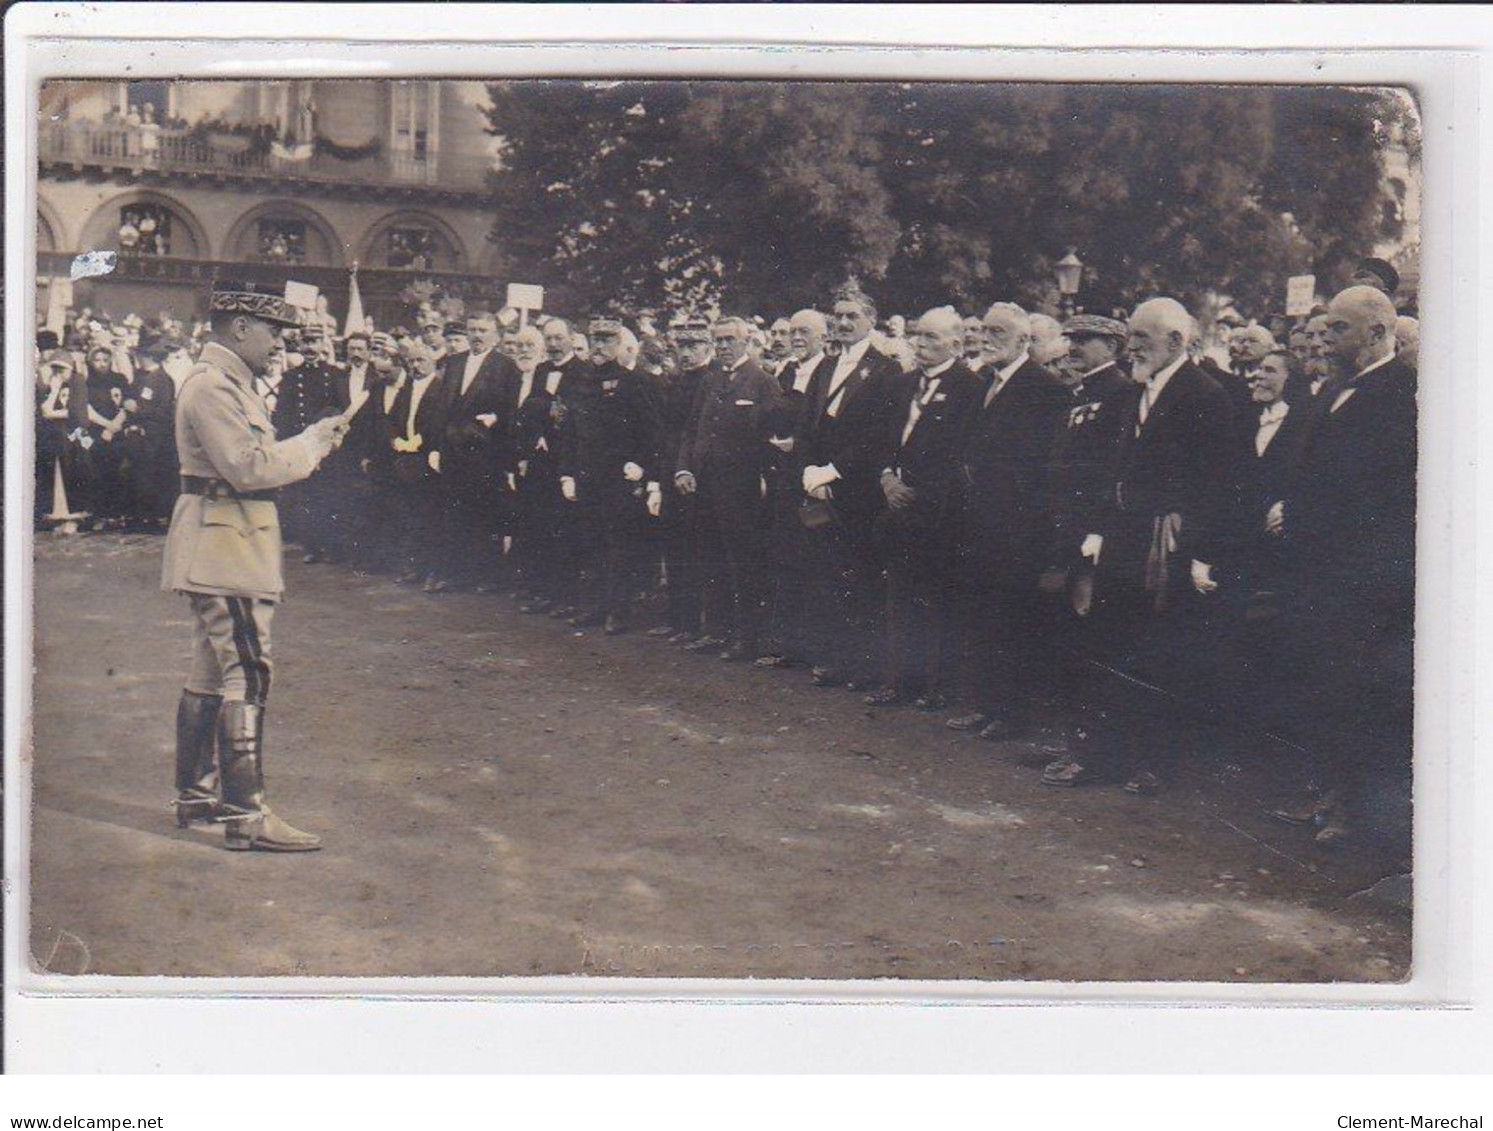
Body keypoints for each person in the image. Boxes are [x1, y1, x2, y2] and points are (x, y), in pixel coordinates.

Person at [161, 280, 347, 852]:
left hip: (221, 540)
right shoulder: (214, 386)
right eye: (274, 331)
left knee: (211, 672)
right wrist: (311, 444)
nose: (281, 344)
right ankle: (246, 813)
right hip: (229, 544)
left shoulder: (221, 381)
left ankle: (197, 797)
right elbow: (247, 466)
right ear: (239, 326)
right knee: (249, 670)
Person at [1042, 297, 1237, 794]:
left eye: (1143, 339)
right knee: (1110, 643)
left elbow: (1215, 486)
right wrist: (1099, 530)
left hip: (1166, 545)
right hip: (1123, 540)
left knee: (1159, 654)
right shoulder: (1134, 394)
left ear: (1176, 341)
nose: (1133, 348)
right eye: (1131, 338)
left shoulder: (1206, 395)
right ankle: (1101, 755)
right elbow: (1116, 471)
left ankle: (1154, 763)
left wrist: (1198, 552)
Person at [1271, 285, 1416, 847]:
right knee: (1323, 686)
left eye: (1339, 329)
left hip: (1361, 578)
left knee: (1359, 693)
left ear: (1378, 331)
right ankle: (1327, 793)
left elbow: (1379, 494)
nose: (1326, 338)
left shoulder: (1402, 394)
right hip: (1317, 571)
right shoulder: (1334, 389)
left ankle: (1354, 811)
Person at [943, 302, 1070, 740]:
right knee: (980, 614)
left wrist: (1027, 523)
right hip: (979, 521)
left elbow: (1046, 467)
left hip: (1016, 529)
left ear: (1023, 340)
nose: (986, 338)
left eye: (998, 331)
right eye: (984, 330)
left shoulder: (1045, 388)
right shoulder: (984, 383)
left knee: (1011, 620)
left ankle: (1011, 713)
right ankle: (985, 704)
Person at [865, 307, 983, 707]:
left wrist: (921, 493)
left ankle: (936, 686)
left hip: (938, 511)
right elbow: (882, 438)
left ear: (955, 343)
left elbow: (961, 453)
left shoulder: (971, 388)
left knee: (934, 598)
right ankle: (899, 679)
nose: (921, 344)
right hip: (896, 504)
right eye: (918, 335)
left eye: (932, 338)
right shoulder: (901, 385)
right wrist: (886, 478)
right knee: (898, 593)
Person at [793, 281, 907, 689]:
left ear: (871, 322)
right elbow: (806, 424)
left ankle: (866, 665)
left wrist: (834, 471)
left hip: (856, 488)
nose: (843, 323)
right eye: (837, 316)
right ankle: (836, 657)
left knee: (861, 575)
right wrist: (808, 469)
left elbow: (879, 435)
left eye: (851, 317)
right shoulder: (825, 365)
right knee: (828, 573)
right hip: (819, 485)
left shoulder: (885, 369)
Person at [674, 316, 785, 660]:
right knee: (710, 557)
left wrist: (764, 480)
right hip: (705, 484)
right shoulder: (710, 381)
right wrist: (684, 468)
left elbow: (773, 439)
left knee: (743, 563)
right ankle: (716, 630)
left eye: (728, 340)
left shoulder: (763, 382)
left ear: (746, 341)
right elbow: (692, 431)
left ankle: (747, 637)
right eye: (717, 340)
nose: (722, 346)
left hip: (741, 489)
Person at [557, 317, 663, 634]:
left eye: (606, 340)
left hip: (618, 477)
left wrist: (642, 466)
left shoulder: (634, 382)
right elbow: (570, 433)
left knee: (619, 544)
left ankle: (619, 610)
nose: (599, 346)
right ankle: (596, 606)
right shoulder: (581, 381)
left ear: (619, 345)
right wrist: (567, 474)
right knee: (592, 541)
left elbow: (651, 431)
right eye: (595, 339)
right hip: (587, 474)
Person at [756, 308, 832, 669]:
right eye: (792, 332)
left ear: (822, 337)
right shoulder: (787, 371)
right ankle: (788, 643)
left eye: (805, 332)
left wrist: (797, 446)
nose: (796, 338)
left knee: (814, 558)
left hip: (812, 481)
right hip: (784, 478)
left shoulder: (828, 371)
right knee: (785, 557)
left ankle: (817, 645)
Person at [427, 309, 520, 592]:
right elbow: (442, 407)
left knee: (484, 515)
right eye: (473, 330)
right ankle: (456, 574)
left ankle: (487, 576)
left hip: (484, 452)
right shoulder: (454, 363)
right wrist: (435, 447)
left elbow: (512, 409)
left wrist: (497, 420)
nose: (477, 336)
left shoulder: (505, 366)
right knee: (454, 514)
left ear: (495, 334)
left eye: (482, 330)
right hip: (452, 451)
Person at [646, 316, 714, 643]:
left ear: (707, 347)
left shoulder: (712, 380)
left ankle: (695, 623)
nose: (686, 353)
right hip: (671, 469)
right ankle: (677, 619)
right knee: (673, 547)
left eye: (693, 346)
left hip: (696, 475)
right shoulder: (675, 381)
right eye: (682, 346)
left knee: (695, 549)